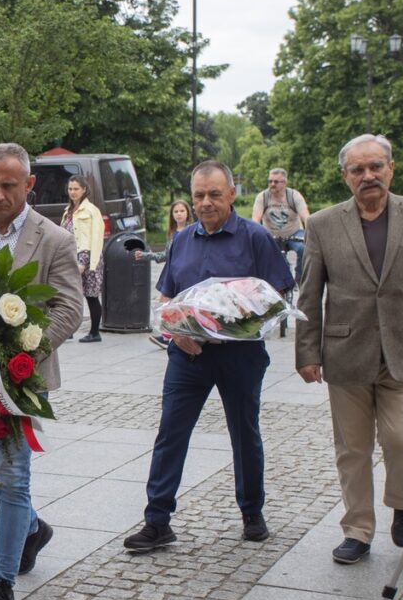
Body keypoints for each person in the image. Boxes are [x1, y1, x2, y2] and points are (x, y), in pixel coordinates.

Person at [295, 134, 403, 565]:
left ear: (391, 168)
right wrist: (305, 353)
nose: (368, 176)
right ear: (345, 177)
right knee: (353, 449)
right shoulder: (324, 224)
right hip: (346, 352)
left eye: (375, 167)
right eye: (358, 170)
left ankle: (401, 501)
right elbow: (308, 294)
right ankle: (358, 529)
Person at [123, 160, 293, 553]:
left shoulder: (255, 238)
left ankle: (252, 512)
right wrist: (177, 333)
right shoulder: (182, 240)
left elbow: (279, 296)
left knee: (244, 433)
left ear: (232, 194)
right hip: (188, 355)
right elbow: (167, 298)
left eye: (214, 194)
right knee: (171, 434)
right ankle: (157, 520)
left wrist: (239, 321)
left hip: (240, 354)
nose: (206, 202)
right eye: (199, 195)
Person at [0, 143, 83, 600]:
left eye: (9, 184)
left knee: (12, 478)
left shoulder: (54, 240)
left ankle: (1, 582)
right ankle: (31, 527)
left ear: (30, 184)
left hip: (23, 381)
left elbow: (69, 309)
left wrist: (22, 357)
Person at [139, 200, 194, 350]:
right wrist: (146, 256)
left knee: (174, 305)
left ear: (188, 213)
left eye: (182, 211)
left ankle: (170, 336)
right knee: (166, 304)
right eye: (176, 212)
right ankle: (168, 335)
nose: (179, 214)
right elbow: (165, 255)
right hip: (171, 272)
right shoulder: (172, 233)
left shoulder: (192, 231)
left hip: (184, 273)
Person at [61, 175, 104, 343]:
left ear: (84, 189)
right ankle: (69, 329)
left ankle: (94, 332)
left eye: (76, 189)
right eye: (70, 189)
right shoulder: (68, 210)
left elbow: (96, 236)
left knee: (91, 295)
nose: (72, 192)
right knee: (70, 294)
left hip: (87, 255)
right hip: (71, 254)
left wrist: (86, 262)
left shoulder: (91, 210)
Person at [252, 168, 310, 283]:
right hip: (271, 235)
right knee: (276, 259)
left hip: (294, 232)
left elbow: (305, 216)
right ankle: (282, 283)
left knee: (305, 249)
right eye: (270, 181)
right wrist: (256, 236)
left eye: (276, 182)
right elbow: (255, 219)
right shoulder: (263, 197)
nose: (272, 184)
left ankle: (300, 278)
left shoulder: (294, 196)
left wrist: (311, 233)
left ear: (284, 183)